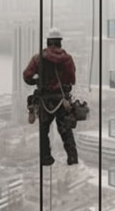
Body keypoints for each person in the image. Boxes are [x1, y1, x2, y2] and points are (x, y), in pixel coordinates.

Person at [22, 28, 79, 166]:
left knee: (44, 130)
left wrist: (38, 81)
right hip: (62, 100)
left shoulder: (38, 58)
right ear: (60, 43)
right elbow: (72, 80)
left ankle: (46, 158)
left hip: (45, 100)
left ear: (48, 42)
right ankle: (72, 158)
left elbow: (27, 76)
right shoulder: (68, 59)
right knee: (65, 130)